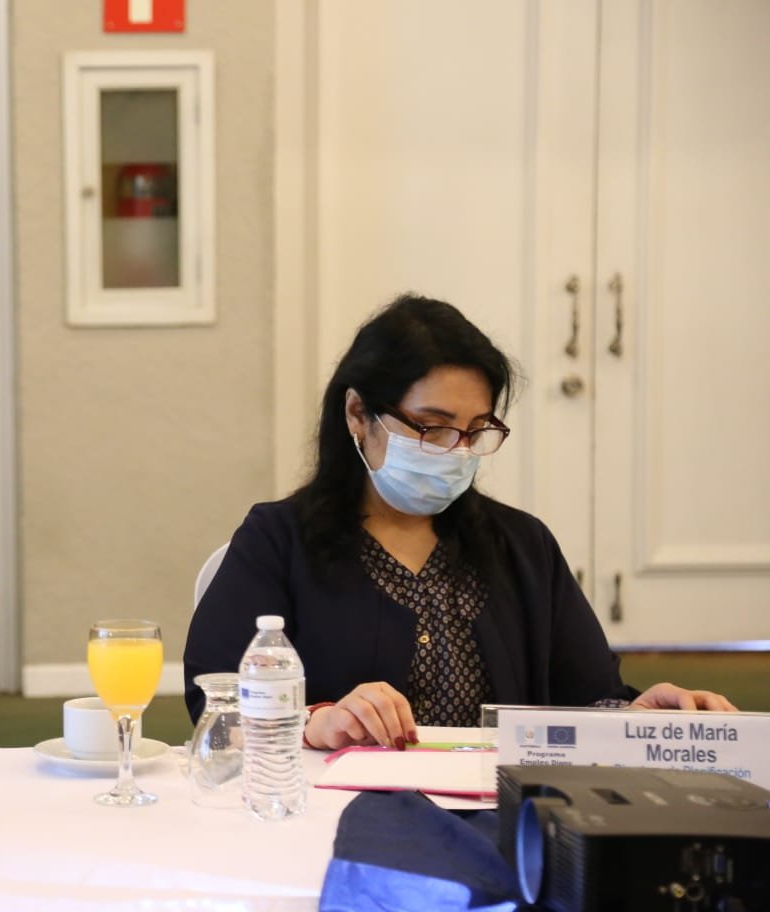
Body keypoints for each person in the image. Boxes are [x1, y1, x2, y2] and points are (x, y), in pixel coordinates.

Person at [183, 294, 735, 751]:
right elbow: (218, 706)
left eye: (475, 431)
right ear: (358, 414)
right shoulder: (278, 540)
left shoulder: (522, 545)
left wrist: (639, 717)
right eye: (432, 427)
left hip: (499, 816)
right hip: (342, 816)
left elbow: (588, 697)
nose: (456, 450)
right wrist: (318, 721)